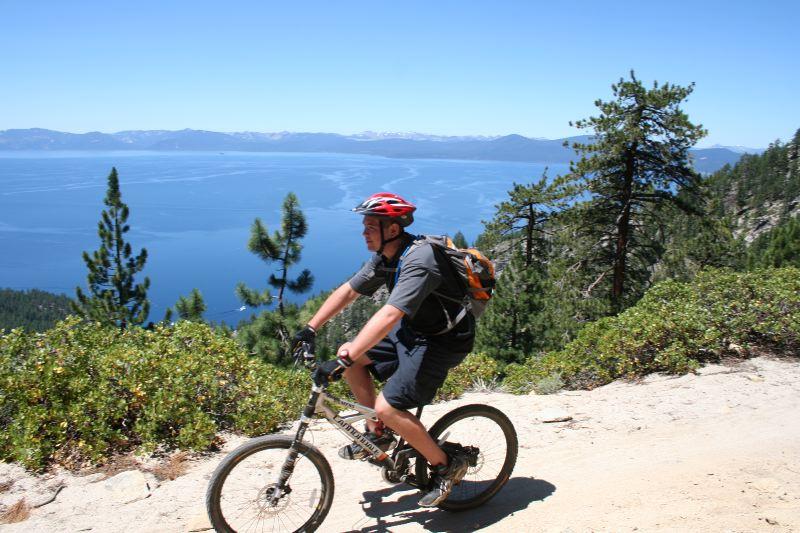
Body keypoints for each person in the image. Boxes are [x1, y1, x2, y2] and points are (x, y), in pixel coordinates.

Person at [292, 192, 475, 507]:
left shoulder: (420, 260)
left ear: (392, 229)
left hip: (443, 340)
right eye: (364, 226)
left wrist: (339, 361)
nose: (363, 233)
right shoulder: (387, 256)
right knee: (350, 355)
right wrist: (311, 327)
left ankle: (446, 466)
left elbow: (391, 314)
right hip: (415, 332)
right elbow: (349, 291)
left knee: (388, 407)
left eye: (370, 227)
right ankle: (378, 434)